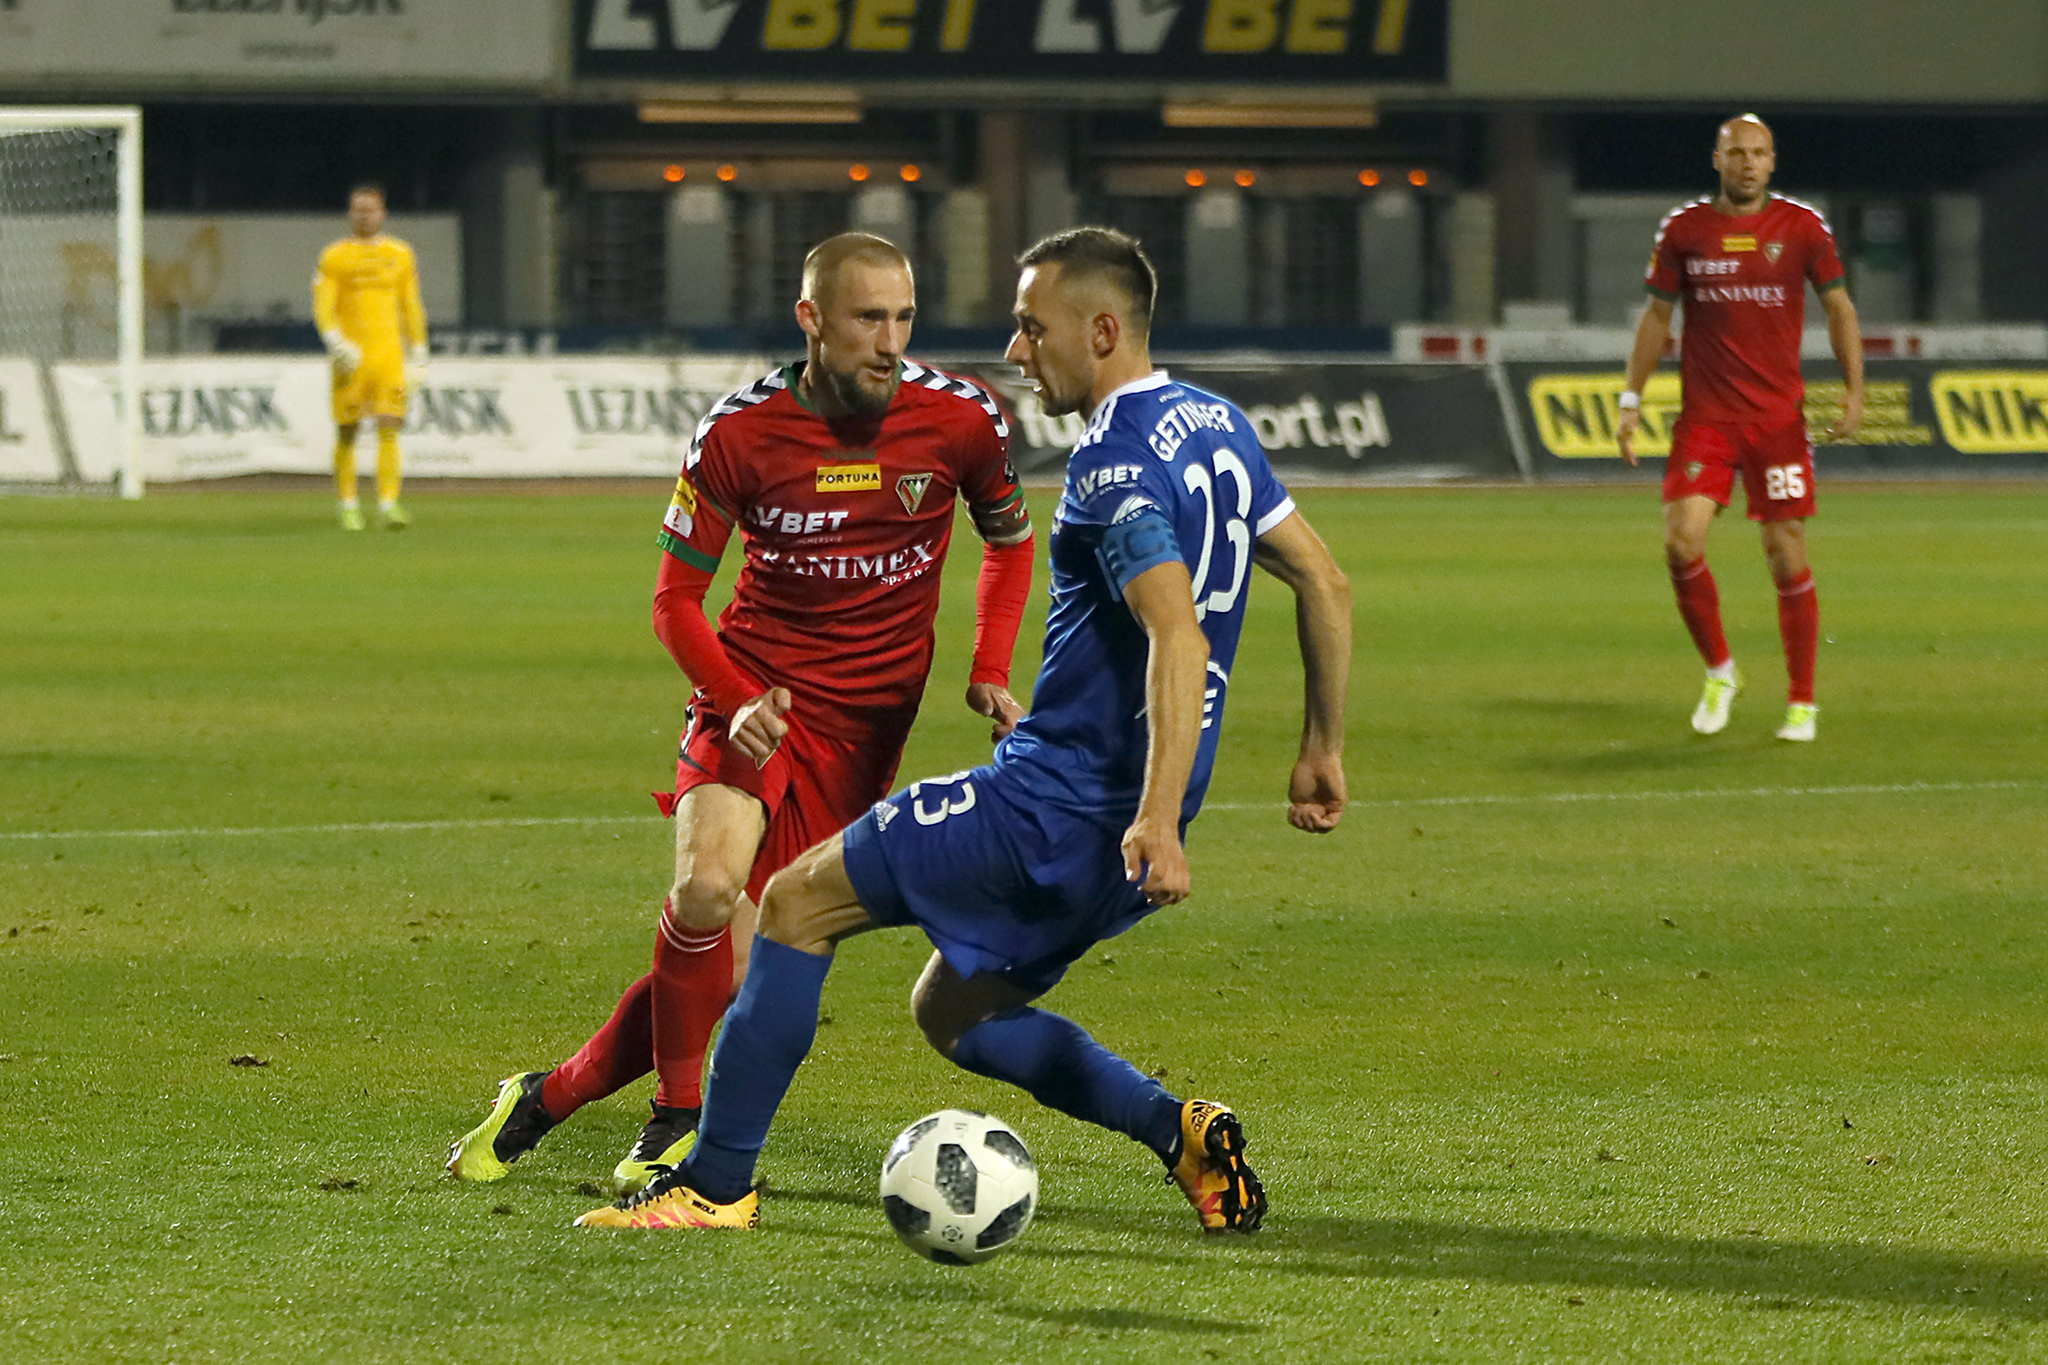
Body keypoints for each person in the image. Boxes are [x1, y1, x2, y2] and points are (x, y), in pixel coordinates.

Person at [576, 226, 1351, 1235]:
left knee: (794, 905)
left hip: (1057, 808)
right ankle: (1180, 1133)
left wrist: (1156, 820)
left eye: (1032, 327)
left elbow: (1177, 631)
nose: (1017, 351)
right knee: (956, 1011)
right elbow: (1325, 581)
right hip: (1120, 827)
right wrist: (1320, 748)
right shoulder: (1216, 425)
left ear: (1100, 330)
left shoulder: (1112, 464)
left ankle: (713, 1186)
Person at [446, 232, 1036, 1194]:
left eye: (903, 317)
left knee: (735, 971)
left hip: (864, 732)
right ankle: (677, 1117)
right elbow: (674, 600)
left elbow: (1009, 540)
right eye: (867, 318)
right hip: (753, 691)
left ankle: (546, 1095)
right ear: (811, 319)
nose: (890, 341)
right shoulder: (738, 433)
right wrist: (736, 697)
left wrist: (989, 667)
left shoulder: (961, 418)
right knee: (706, 889)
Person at [1618, 114, 1863, 743]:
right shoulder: (1685, 230)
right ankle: (1720, 672)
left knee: (1786, 554)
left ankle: (1802, 701)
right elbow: (1656, 316)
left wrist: (1854, 389)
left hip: (1777, 424)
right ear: (1717, 159)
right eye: (1737, 153)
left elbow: (1839, 307)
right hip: (1706, 421)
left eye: (1758, 153)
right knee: (1681, 542)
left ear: (1772, 161)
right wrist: (1630, 398)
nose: (1748, 163)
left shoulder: (1802, 227)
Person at [313, 182, 428, 531]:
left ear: (383, 214)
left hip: (388, 355)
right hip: (350, 358)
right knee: (347, 430)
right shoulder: (335, 256)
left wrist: (419, 349)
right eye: (358, 210)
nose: (364, 216)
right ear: (350, 214)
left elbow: (410, 303)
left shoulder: (400, 254)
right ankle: (348, 505)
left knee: (389, 425)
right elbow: (323, 304)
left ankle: (389, 503)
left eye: (370, 210)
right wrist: (334, 340)